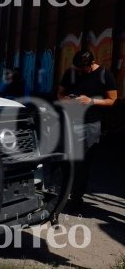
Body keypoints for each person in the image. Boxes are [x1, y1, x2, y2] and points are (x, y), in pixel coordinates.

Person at [57, 50, 117, 209]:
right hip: (70, 121)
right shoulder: (71, 72)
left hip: (91, 124)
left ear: (91, 64)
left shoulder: (104, 74)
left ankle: (76, 197)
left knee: (84, 162)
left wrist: (90, 101)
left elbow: (112, 100)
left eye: (83, 69)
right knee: (67, 159)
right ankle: (63, 193)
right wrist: (67, 101)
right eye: (77, 69)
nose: (80, 72)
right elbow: (60, 94)